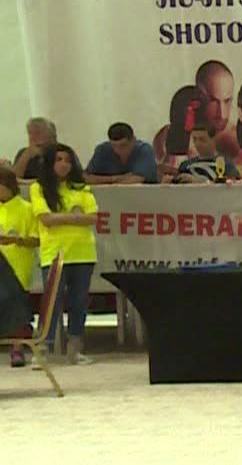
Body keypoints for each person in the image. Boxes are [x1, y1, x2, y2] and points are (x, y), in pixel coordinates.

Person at [26, 145, 99, 365]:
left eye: (67, 160)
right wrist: (75, 217)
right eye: (59, 160)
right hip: (55, 253)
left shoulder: (81, 188)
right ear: (50, 163)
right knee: (52, 303)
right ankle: (43, 348)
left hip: (83, 252)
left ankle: (75, 349)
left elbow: (93, 217)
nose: (64, 164)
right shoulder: (39, 188)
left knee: (79, 303)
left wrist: (62, 217)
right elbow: (46, 219)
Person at [0, 168, 39, 367]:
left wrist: (15, 240)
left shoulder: (26, 209)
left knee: (16, 307)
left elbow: (36, 239)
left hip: (18, 266)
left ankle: (17, 349)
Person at [85, 122, 159, 185]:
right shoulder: (102, 150)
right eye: (113, 146)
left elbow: (137, 179)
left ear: (133, 140)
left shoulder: (144, 150)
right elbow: (87, 178)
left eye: (123, 145)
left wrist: (106, 183)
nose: (118, 150)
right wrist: (118, 178)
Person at [174, 125, 239, 183]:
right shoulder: (185, 165)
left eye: (202, 139)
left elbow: (232, 185)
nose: (197, 144)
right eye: (195, 139)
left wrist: (199, 181)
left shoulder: (225, 164)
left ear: (213, 140)